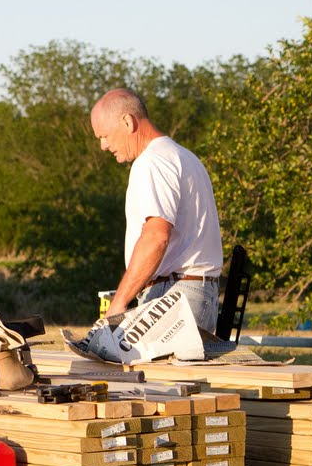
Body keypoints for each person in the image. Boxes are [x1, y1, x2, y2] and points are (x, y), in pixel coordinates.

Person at [89, 87, 223, 334]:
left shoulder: (152, 161)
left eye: (104, 135)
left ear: (127, 122)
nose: (103, 146)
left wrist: (118, 303)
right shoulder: (184, 156)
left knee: (143, 371)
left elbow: (156, 237)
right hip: (193, 293)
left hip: (173, 296)